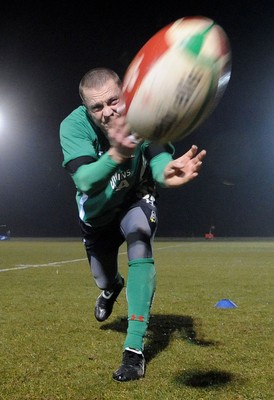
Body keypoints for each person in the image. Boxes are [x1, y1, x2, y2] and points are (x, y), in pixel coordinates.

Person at [59, 67, 206, 382]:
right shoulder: (72, 126)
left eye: (114, 101)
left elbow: (157, 159)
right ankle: (112, 287)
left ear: (125, 93)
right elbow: (85, 180)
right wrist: (117, 153)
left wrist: (167, 174)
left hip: (135, 199)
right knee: (102, 278)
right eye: (97, 107)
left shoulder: (145, 115)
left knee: (140, 240)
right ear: (86, 109)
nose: (108, 112)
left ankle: (134, 351)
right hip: (97, 214)